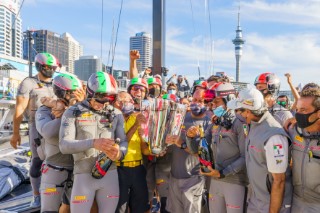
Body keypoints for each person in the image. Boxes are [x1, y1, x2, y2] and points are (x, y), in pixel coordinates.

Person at [59, 71, 128, 212]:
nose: (103, 105)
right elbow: (64, 145)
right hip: (83, 175)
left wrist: (119, 154)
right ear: (90, 93)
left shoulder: (116, 114)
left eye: (108, 100)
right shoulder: (72, 112)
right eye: (100, 100)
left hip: (110, 173)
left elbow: (124, 143)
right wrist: (93, 143)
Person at [228, 88, 292, 213]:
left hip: (271, 204)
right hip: (256, 199)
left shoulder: (274, 136)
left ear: (247, 111)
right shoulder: (253, 125)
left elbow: (279, 181)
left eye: (238, 110)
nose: (237, 114)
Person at [10, 52, 59, 208]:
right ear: (40, 66)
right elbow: (19, 108)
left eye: (53, 67)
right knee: (37, 160)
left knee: (57, 160)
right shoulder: (28, 83)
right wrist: (15, 133)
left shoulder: (57, 83)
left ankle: (57, 192)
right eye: (48, 67)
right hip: (36, 127)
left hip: (56, 124)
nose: (51, 70)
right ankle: (36, 195)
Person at [35, 73, 84, 212]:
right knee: (49, 210)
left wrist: (80, 108)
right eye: (73, 93)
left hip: (79, 169)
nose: (76, 96)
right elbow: (48, 132)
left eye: (79, 92)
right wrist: (67, 114)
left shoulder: (83, 109)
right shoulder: (45, 109)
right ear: (62, 92)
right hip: (54, 169)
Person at [198, 82, 248, 213]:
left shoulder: (240, 123)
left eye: (216, 102)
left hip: (234, 182)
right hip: (215, 180)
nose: (212, 106)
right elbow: (201, 147)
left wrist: (223, 173)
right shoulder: (215, 122)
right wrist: (190, 137)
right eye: (211, 103)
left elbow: (246, 157)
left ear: (229, 100)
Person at [165, 89, 211, 213]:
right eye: (195, 100)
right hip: (175, 177)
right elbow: (170, 144)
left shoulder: (209, 123)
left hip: (194, 179)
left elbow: (202, 155)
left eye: (201, 101)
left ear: (207, 103)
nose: (196, 103)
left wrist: (182, 143)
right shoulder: (181, 118)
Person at [114, 91, 149, 213]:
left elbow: (145, 151)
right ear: (118, 103)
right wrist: (135, 126)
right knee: (120, 209)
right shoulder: (112, 119)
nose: (131, 103)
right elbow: (121, 142)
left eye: (131, 101)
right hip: (119, 170)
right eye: (128, 101)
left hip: (138, 169)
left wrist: (145, 139)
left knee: (140, 208)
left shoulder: (137, 118)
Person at [287, 86, 320, 213]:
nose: (299, 114)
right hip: (295, 200)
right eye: (297, 110)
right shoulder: (292, 130)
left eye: (304, 110)